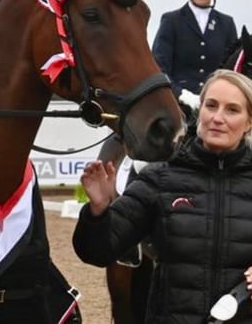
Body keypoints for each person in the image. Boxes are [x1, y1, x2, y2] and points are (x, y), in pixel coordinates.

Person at [73, 69, 252, 323]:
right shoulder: (159, 177)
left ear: (249, 122)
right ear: (199, 111)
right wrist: (98, 212)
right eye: (211, 106)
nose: (217, 118)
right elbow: (96, 252)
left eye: (232, 110)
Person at [152, 0, 238, 114]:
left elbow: (232, 72)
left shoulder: (226, 24)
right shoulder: (171, 21)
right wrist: (181, 94)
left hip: (215, 107)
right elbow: (159, 67)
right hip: (177, 106)